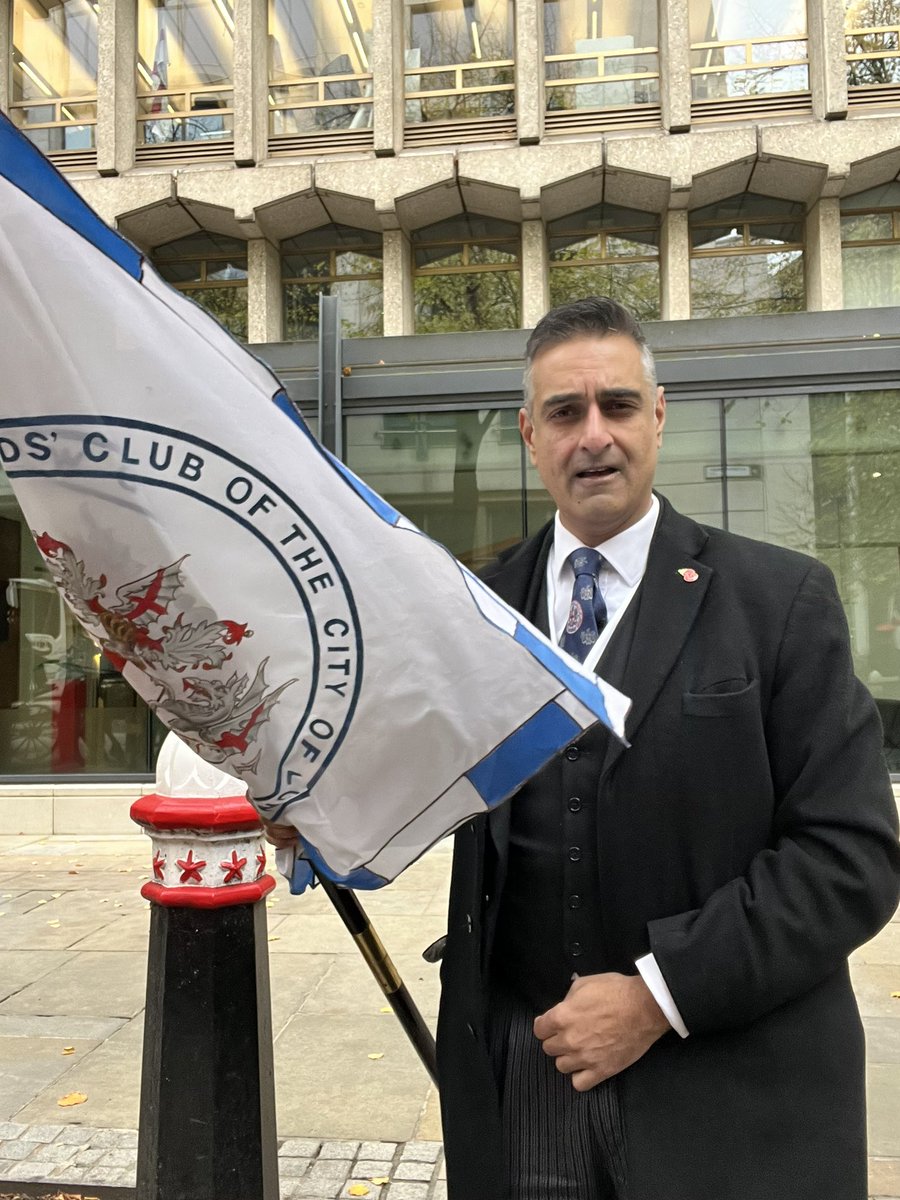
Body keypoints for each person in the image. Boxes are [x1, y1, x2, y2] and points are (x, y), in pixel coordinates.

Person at [434, 296, 900, 1200]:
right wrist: (324, 813)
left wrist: (657, 995)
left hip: (727, 1094)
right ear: (531, 435)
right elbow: (419, 778)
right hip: (528, 1079)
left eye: (616, 405)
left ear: (658, 415)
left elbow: (853, 856)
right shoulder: (475, 607)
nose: (593, 436)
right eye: (565, 414)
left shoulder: (781, 600)